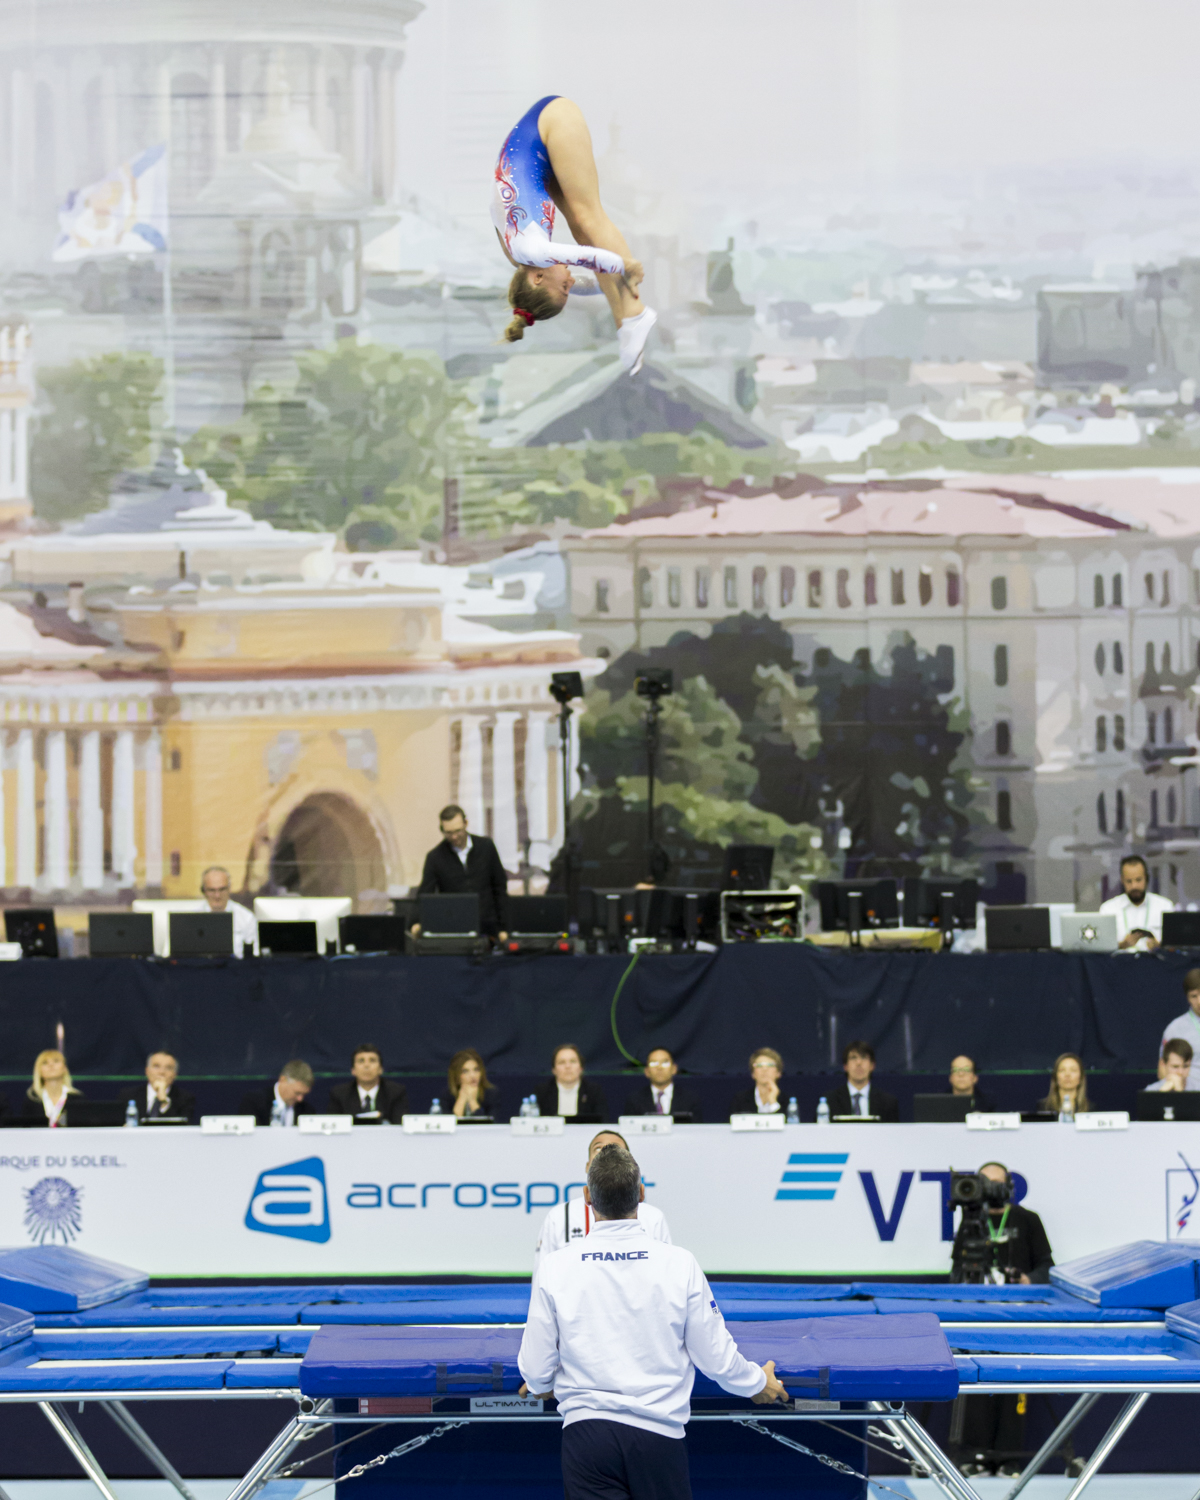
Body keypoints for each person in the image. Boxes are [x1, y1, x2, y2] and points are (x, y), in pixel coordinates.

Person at [518, 1145, 787, 1500]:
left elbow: (536, 1369)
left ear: (587, 1197)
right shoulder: (679, 1263)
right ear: (641, 1194)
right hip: (657, 1436)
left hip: (587, 1437)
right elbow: (715, 1357)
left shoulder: (557, 1266)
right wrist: (756, 1382)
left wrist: (540, 1382)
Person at [493, 95, 656, 375]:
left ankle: (633, 315)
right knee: (581, 229)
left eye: (564, 288)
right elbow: (583, 279)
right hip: (537, 153)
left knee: (588, 217)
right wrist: (598, 283)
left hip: (549, 124)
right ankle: (626, 326)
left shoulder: (532, 251)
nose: (570, 281)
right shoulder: (521, 258)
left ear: (538, 278)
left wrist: (625, 265)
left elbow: (588, 257)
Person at [949, 1161, 1055, 1478]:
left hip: (1017, 1318)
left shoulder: (1028, 1220)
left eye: (997, 1182)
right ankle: (976, 1456)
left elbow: (1047, 1264)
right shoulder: (970, 1223)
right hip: (978, 1318)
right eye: (985, 1183)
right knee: (977, 1386)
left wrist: (1027, 1280)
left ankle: (1009, 1458)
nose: (992, 1190)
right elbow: (956, 1270)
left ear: (1009, 1185)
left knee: (1013, 1388)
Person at [534, 1129, 671, 1282]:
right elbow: (542, 1280)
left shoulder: (653, 1217)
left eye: (615, 1148)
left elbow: (666, 1275)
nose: (606, 1153)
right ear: (588, 1166)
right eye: (598, 1148)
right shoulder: (559, 1216)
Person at [414, 805, 509, 941]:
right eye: (448, 832)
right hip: (454, 927)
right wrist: (416, 922)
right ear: (442, 830)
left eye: (458, 831)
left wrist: (503, 927)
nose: (454, 837)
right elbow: (425, 893)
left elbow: (500, 886)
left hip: (489, 926)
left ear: (466, 824)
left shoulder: (486, 847)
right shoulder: (435, 857)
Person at [1099, 854, 1174, 950]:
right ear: (1122, 880)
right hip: (1120, 963)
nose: (1134, 886)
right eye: (1129, 881)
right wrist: (1122, 945)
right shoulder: (1108, 909)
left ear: (1146, 878)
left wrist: (1158, 946)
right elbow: (1101, 949)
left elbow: (1173, 949)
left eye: (1138, 880)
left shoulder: (1165, 906)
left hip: (1155, 962)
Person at [327, 1043, 408, 1123]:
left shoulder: (395, 1092)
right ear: (353, 1070)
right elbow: (334, 1126)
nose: (366, 1065)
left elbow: (399, 1126)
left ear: (381, 1069)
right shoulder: (340, 1093)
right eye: (361, 1061)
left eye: (372, 1060)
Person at [827, 1040, 900, 1122]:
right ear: (845, 1066)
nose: (859, 1063)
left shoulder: (887, 1103)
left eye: (864, 1057)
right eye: (853, 1058)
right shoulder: (830, 1101)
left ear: (872, 1066)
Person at [623, 1047, 703, 1121]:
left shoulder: (690, 1099)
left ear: (674, 1068)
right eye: (653, 1063)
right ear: (647, 1071)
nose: (659, 1068)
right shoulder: (634, 1100)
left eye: (665, 1062)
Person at [535, 1043, 607, 1122]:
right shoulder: (542, 1092)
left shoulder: (593, 1091)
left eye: (573, 1061)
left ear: (581, 1068)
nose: (568, 1066)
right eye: (561, 1062)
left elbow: (603, 1121)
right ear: (554, 1070)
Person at [118, 1051, 196, 1122]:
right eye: (156, 1066)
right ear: (147, 1071)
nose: (161, 1072)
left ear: (175, 1074)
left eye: (168, 1068)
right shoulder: (128, 1095)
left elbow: (181, 1129)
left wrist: (164, 1102)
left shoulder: (185, 1098)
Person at [200, 865, 258, 956]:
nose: (217, 896)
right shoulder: (191, 918)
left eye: (222, 889)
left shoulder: (246, 918)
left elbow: (255, 955)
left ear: (229, 888)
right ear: (204, 891)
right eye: (212, 890)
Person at [240, 1060, 316, 1127]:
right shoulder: (253, 1102)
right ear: (283, 1080)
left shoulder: (307, 1111)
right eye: (297, 1093)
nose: (300, 1099)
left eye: (304, 1094)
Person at [1160, 969, 1200, 1090]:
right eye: (1194, 996)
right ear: (1187, 998)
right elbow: (1163, 1069)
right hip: (1189, 1096)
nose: (1199, 1001)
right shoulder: (1175, 1029)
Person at [21, 1049, 83, 1127]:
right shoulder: (32, 1100)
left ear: (64, 1068)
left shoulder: (77, 1098)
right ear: (39, 1070)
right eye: (45, 1063)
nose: (51, 1065)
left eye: (56, 1061)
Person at [438, 1048, 500, 1119]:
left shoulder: (491, 1094)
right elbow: (449, 1125)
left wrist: (472, 1101)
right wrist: (461, 1099)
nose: (472, 1076)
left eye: (476, 1070)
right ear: (456, 1076)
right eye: (465, 1071)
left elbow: (488, 1126)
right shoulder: (448, 1095)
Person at [729, 1048, 785, 1116]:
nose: (764, 1069)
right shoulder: (740, 1100)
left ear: (778, 1073)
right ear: (753, 1073)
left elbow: (787, 1124)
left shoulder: (787, 1101)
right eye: (759, 1065)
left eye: (770, 1065)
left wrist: (773, 1102)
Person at [1039, 1052, 1090, 1117]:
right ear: (1055, 1077)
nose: (1067, 1074)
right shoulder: (1044, 1107)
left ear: (1081, 1078)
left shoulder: (1090, 1108)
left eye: (1073, 1070)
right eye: (1062, 1070)